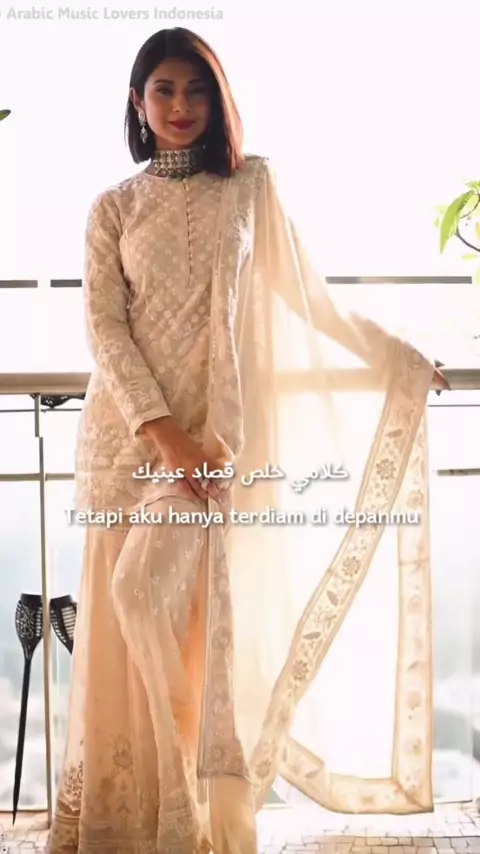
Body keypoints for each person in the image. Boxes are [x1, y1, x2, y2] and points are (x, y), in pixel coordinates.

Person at [47, 26, 449, 854]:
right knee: (127, 625)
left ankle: (194, 809)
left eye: (197, 89)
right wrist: (164, 436)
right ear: (137, 102)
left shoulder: (247, 187)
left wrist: (396, 355)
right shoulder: (112, 208)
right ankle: (138, 818)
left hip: (214, 450)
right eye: (164, 89)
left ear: (218, 99)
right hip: (127, 445)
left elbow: (307, 296)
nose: (181, 105)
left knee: (149, 599)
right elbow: (106, 329)